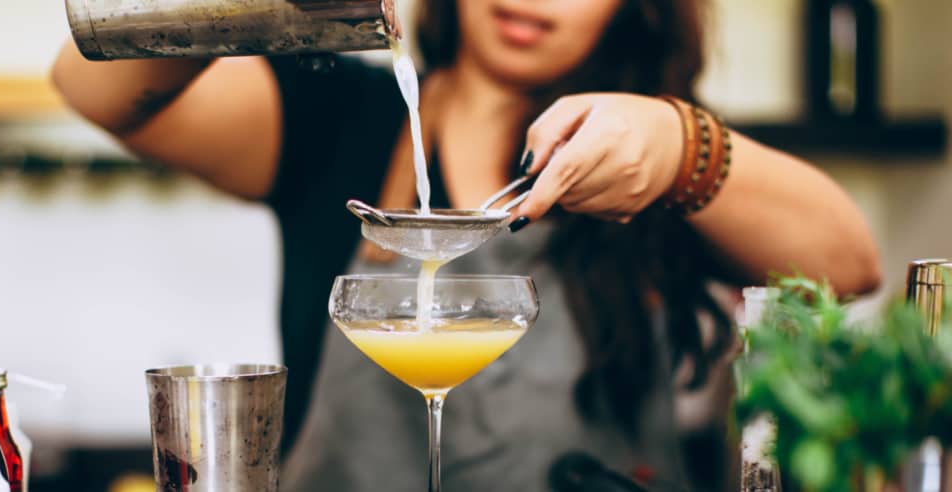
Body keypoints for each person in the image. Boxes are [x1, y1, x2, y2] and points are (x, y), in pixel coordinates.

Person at [51, 0, 881, 490]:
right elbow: (91, 84)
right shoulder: (337, 118)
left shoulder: (637, 159)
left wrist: (679, 145)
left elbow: (848, 264)